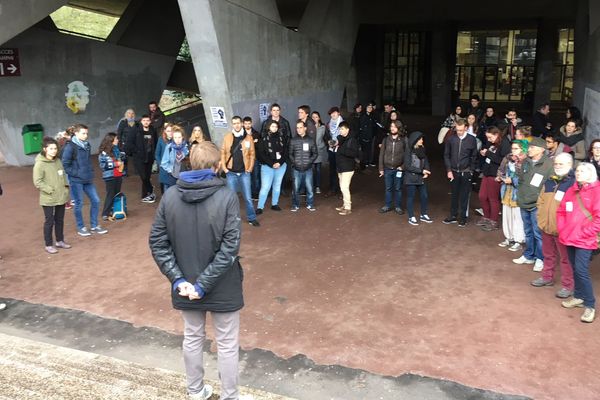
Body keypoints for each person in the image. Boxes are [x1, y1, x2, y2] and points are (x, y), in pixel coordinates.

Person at [149, 141, 247, 399]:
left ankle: (195, 392)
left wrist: (177, 278)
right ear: (217, 167)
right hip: (222, 282)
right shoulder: (226, 196)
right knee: (226, 344)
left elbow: (158, 242)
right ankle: (229, 396)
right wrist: (203, 283)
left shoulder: (170, 195)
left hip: (185, 284)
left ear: (191, 163)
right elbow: (230, 248)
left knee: (192, 338)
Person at [557, 162, 600, 323]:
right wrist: (562, 228)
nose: (578, 173)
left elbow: (598, 218)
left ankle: (590, 305)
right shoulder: (572, 190)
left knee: (581, 270)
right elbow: (561, 210)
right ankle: (579, 296)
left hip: (584, 239)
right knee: (574, 267)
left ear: (591, 173)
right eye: (578, 171)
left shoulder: (597, 191)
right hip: (569, 236)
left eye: (582, 171)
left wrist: (585, 232)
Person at [531, 152, 575, 299]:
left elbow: (573, 209)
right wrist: (541, 218)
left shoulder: (573, 184)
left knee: (565, 259)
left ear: (570, 165)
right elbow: (540, 200)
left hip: (563, 230)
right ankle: (547, 277)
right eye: (556, 163)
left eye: (561, 164)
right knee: (548, 254)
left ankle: (568, 285)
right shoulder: (549, 181)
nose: (557, 166)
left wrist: (566, 227)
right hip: (546, 225)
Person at [512, 136, 554, 271]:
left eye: (532, 147)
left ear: (541, 150)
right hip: (524, 201)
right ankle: (529, 255)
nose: (529, 149)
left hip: (537, 204)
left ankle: (540, 258)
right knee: (528, 231)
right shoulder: (526, 162)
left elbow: (551, 186)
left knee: (538, 233)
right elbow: (521, 180)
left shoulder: (549, 165)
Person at [61, 124, 108, 236]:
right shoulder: (70, 147)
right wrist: (77, 173)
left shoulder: (87, 145)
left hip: (87, 179)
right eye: (83, 133)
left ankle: (94, 225)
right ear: (76, 133)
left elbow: (87, 161)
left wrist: (90, 172)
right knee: (79, 204)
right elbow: (65, 164)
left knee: (96, 200)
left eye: (86, 133)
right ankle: (81, 227)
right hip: (76, 180)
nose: (86, 135)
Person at [33, 137, 71, 253]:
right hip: (48, 198)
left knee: (60, 220)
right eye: (51, 148)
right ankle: (48, 244)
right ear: (45, 149)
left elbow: (63, 175)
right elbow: (37, 181)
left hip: (61, 196)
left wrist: (65, 187)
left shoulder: (58, 161)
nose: (54, 151)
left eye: (55, 148)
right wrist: (50, 190)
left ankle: (60, 241)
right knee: (49, 221)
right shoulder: (40, 164)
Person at [221, 116, 259, 227]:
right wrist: (224, 168)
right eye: (234, 123)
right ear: (232, 124)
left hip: (244, 173)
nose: (236, 125)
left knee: (247, 197)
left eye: (238, 123)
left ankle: (252, 218)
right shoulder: (227, 137)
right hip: (231, 173)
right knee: (232, 198)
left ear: (242, 124)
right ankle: (233, 220)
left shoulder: (248, 138)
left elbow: (252, 154)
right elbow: (223, 152)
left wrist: (250, 168)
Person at [443, 119, 478, 227]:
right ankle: (453, 215)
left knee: (464, 195)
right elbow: (446, 155)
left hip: (466, 172)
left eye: (461, 130)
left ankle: (463, 217)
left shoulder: (472, 139)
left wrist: (471, 170)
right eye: (457, 130)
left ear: (466, 128)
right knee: (454, 194)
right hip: (453, 171)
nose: (459, 132)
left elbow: (474, 156)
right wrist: (449, 170)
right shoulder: (451, 139)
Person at [476, 126, 510, 231]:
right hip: (487, 172)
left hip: (495, 174)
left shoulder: (504, 143)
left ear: (496, 135)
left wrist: (488, 153)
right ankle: (486, 217)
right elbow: (488, 155)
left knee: (493, 198)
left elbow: (503, 161)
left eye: (490, 137)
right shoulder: (492, 143)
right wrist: (484, 153)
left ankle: (493, 221)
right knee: (482, 196)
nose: (488, 140)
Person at [497, 140, 528, 251]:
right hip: (507, 191)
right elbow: (500, 170)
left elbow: (525, 178)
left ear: (522, 149)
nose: (513, 151)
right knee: (507, 215)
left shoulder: (526, 161)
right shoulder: (507, 158)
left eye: (516, 149)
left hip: (518, 193)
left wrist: (513, 180)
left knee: (517, 217)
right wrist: (500, 177)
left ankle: (518, 240)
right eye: (513, 148)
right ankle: (509, 237)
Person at [256, 121, 287, 214]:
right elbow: (261, 154)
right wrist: (271, 164)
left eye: (276, 126)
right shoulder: (263, 139)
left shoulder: (282, 138)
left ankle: (274, 204)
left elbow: (285, 152)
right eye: (272, 126)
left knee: (277, 186)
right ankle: (260, 207)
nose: (274, 128)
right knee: (265, 187)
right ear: (269, 127)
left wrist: (280, 163)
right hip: (267, 166)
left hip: (280, 166)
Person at [127, 115, 158, 203]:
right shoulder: (135, 130)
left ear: (150, 121)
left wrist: (154, 153)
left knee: (147, 176)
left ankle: (145, 195)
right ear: (141, 121)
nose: (146, 122)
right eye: (144, 120)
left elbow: (155, 142)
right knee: (144, 176)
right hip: (139, 158)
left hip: (150, 157)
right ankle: (150, 190)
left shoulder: (153, 130)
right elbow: (129, 143)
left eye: (147, 120)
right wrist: (137, 151)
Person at [378, 120, 406, 215]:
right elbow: (381, 155)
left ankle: (398, 206)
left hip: (398, 169)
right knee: (388, 188)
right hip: (387, 168)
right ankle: (387, 205)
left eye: (394, 126)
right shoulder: (386, 140)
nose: (392, 128)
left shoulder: (404, 140)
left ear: (398, 128)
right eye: (391, 126)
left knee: (398, 188)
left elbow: (408, 155)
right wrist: (381, 169)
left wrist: (403, 166)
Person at [404, 131, 432, 225]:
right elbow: (407, 166)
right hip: (411, 178)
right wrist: (421, 171)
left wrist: (427, 170)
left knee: (424, 196)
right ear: (415, 140)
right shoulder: (409, 150)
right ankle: (411, 216)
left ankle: (423, 214)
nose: (422, 141)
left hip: (420, 178)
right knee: (410, 197)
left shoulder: (422, 149)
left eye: (422, 139)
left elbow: (426, 160)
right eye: (420, 139)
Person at [289, 120, 318, 211]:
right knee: (295, 188)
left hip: (308, 168)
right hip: (296, 169)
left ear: (305, 128)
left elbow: (315, 153)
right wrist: (295, 162)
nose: (299, 129)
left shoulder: (310, 140)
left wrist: (309, 162)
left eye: (300, 127)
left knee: (309, 188)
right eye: (297, 128)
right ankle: (295, 205)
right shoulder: (293, 140)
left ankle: (310, 204)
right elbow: (290, 154)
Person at [98, 133, 126, 221]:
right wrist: (115, 164)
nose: (117, 140)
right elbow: (103, 166)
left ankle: (115, 210)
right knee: (110, 194)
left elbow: (121, 158)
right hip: (110, 176)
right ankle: (105, 213)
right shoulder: (103, 153)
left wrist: (122, 157)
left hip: (118, 174)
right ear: (111, 141)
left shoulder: (116, 149)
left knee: (117, 193)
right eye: (116, 139)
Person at [335, 121, 359, 215]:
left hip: (348, 167)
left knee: (344, 187)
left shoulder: (352, 140)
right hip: (341, 167)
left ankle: (348, 207)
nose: (340, 131)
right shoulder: (342, 139)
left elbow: (354, 153)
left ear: (347, 130)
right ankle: (345, 205)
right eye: (340, 129)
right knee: (342, 187)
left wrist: (341, 149)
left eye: (342, 129)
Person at [161, 125, 190, 192]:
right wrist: (171, 170)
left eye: (179, 137)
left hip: (185, 175)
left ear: (182, 137)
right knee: (174, 193)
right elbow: (164, 163)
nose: (177, 139)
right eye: (175, 137)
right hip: (173, 176)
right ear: (173, 138)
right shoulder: (169, 148)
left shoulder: (186, 148)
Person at [325, 107, 344, 196]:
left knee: (341, 170)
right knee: (332, 169)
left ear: (339, 113)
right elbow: (326, 136)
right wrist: (328, 141)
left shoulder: (343, 123)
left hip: (340, 150)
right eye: (331, 113)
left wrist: (338, 142)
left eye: (335, 113)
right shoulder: (328, 124)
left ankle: (341, 190)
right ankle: (332, 188)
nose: (333, 115)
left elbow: (346, 136)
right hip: (331, 150)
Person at [242, 117, 261, 200]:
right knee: (246, 177)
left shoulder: (256, 133)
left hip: (255, 158)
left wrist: (253, 144)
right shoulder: (240, 134)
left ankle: (256, 194)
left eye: (249, 123)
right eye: (245, 123)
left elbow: (258, 146)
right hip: (244, 159)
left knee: (256, 177)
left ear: (251, 123)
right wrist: (253, 142)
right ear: (243, 124)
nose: (247, 125)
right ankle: (248, 194)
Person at [311, 111, 328, 194]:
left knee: (318, 169)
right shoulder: (309, 127)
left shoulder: (323, 127)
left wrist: (322, 146)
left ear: (319, 118)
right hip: (310, 151)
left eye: (316, 117)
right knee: (310, 170)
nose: (315, 118)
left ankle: (317, 186)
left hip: (319, 151)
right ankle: (310, 186)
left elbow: (326, 138)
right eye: (313, 117)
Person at [155, 124, 174, 195]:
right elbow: (157, 154)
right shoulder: (161, 139)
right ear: (165, 131)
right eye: (168, 131)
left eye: (172, 131)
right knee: (166, 186)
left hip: (175, 167)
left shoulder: (176, 139)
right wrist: (161, 165)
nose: (170, 132)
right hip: (164, 167)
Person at [359, 103, 377, 168]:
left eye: (371, 107)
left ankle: (368, 162)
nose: (370, 108)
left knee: (369, 150)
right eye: (368, 107)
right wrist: (364, 137)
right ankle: (365, 162)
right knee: (365, 150)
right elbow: (362, 128)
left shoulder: (371, 116)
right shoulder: (363, 116)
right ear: (366, 108)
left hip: (370, 136)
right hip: (365, 137)